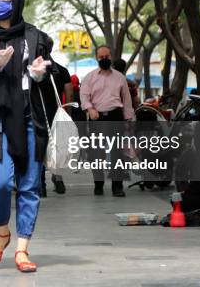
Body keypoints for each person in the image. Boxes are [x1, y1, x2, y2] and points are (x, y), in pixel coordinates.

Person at [0, 0, 52, 273]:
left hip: (29, 117)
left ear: (16, 0)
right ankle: (2, 234)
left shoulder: (36, 36)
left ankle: (22, 249)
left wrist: (40, 74)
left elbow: (54, 72)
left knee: (30, 186)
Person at [80, 45, 134, 197]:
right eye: (101, 57)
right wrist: (90, 109)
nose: (104, 59)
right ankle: (98, 184)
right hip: (96, 118)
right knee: (96, 153)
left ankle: (118, 187)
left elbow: (127, 100)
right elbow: (84, 96)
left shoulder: (120, 77)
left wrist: (128, 119)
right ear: (97, 58)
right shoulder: (89, 78)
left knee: (117, 153)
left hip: (115, 116)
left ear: (111, 56)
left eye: (107, 57)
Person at [39, 35, 72, 195]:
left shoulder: (34, 70)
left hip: (38, 114)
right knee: (57, 147)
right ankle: (57, 177)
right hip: (57, 115)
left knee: (39, 148)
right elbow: (69, 95)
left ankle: (41, 185)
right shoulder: (62, 70)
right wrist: (68, 116)